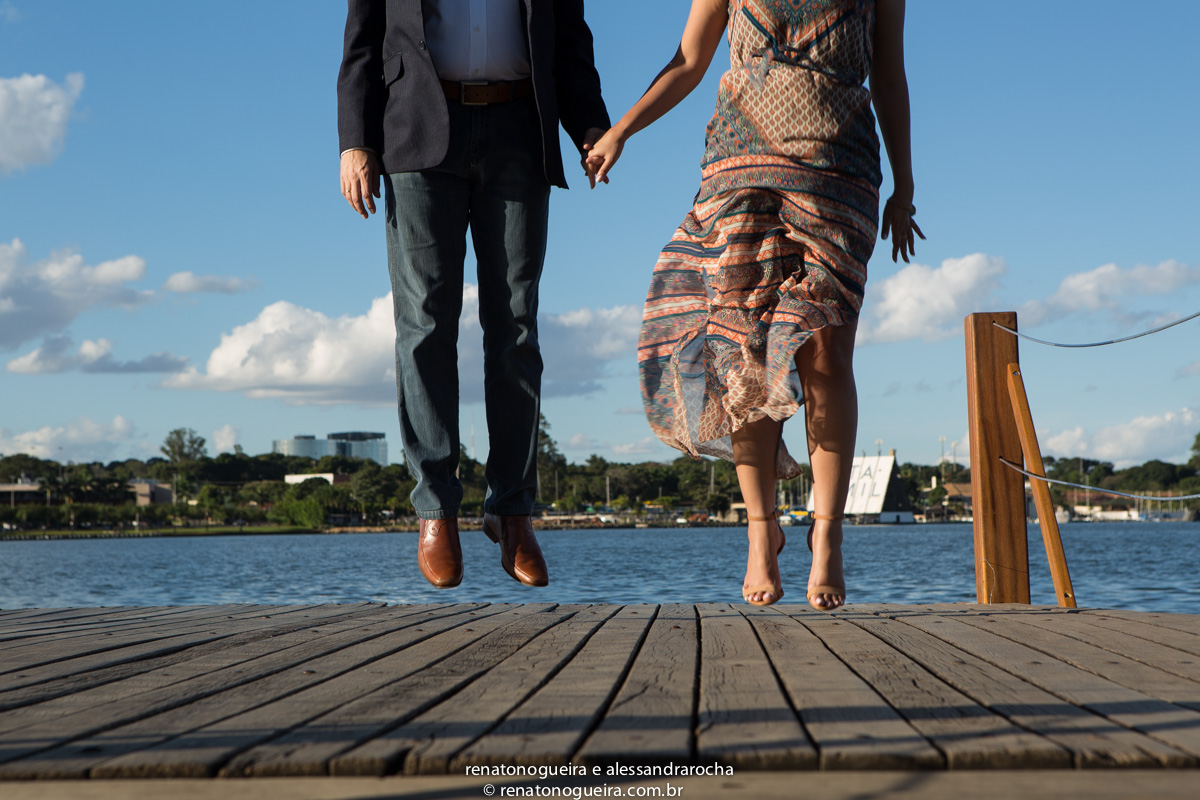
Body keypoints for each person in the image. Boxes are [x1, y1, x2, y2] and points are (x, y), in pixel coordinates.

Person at [586, 0, 923, 608]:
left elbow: (890, 75)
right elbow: (688, 61)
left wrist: (905, 185)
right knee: (743, 354)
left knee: (827, 354)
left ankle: (827, 537)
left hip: (840, 170)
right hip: (738, 169)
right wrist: (621, 131)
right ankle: (761, 533)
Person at [337, 0, 610, 589]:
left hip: (520, 128)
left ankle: (512, 511)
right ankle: (436, 509)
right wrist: (355, 140)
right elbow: (362, 40)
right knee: (424, 323)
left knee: (516, 325)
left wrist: (590, 123)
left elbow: (569, 39)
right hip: (416, 132)